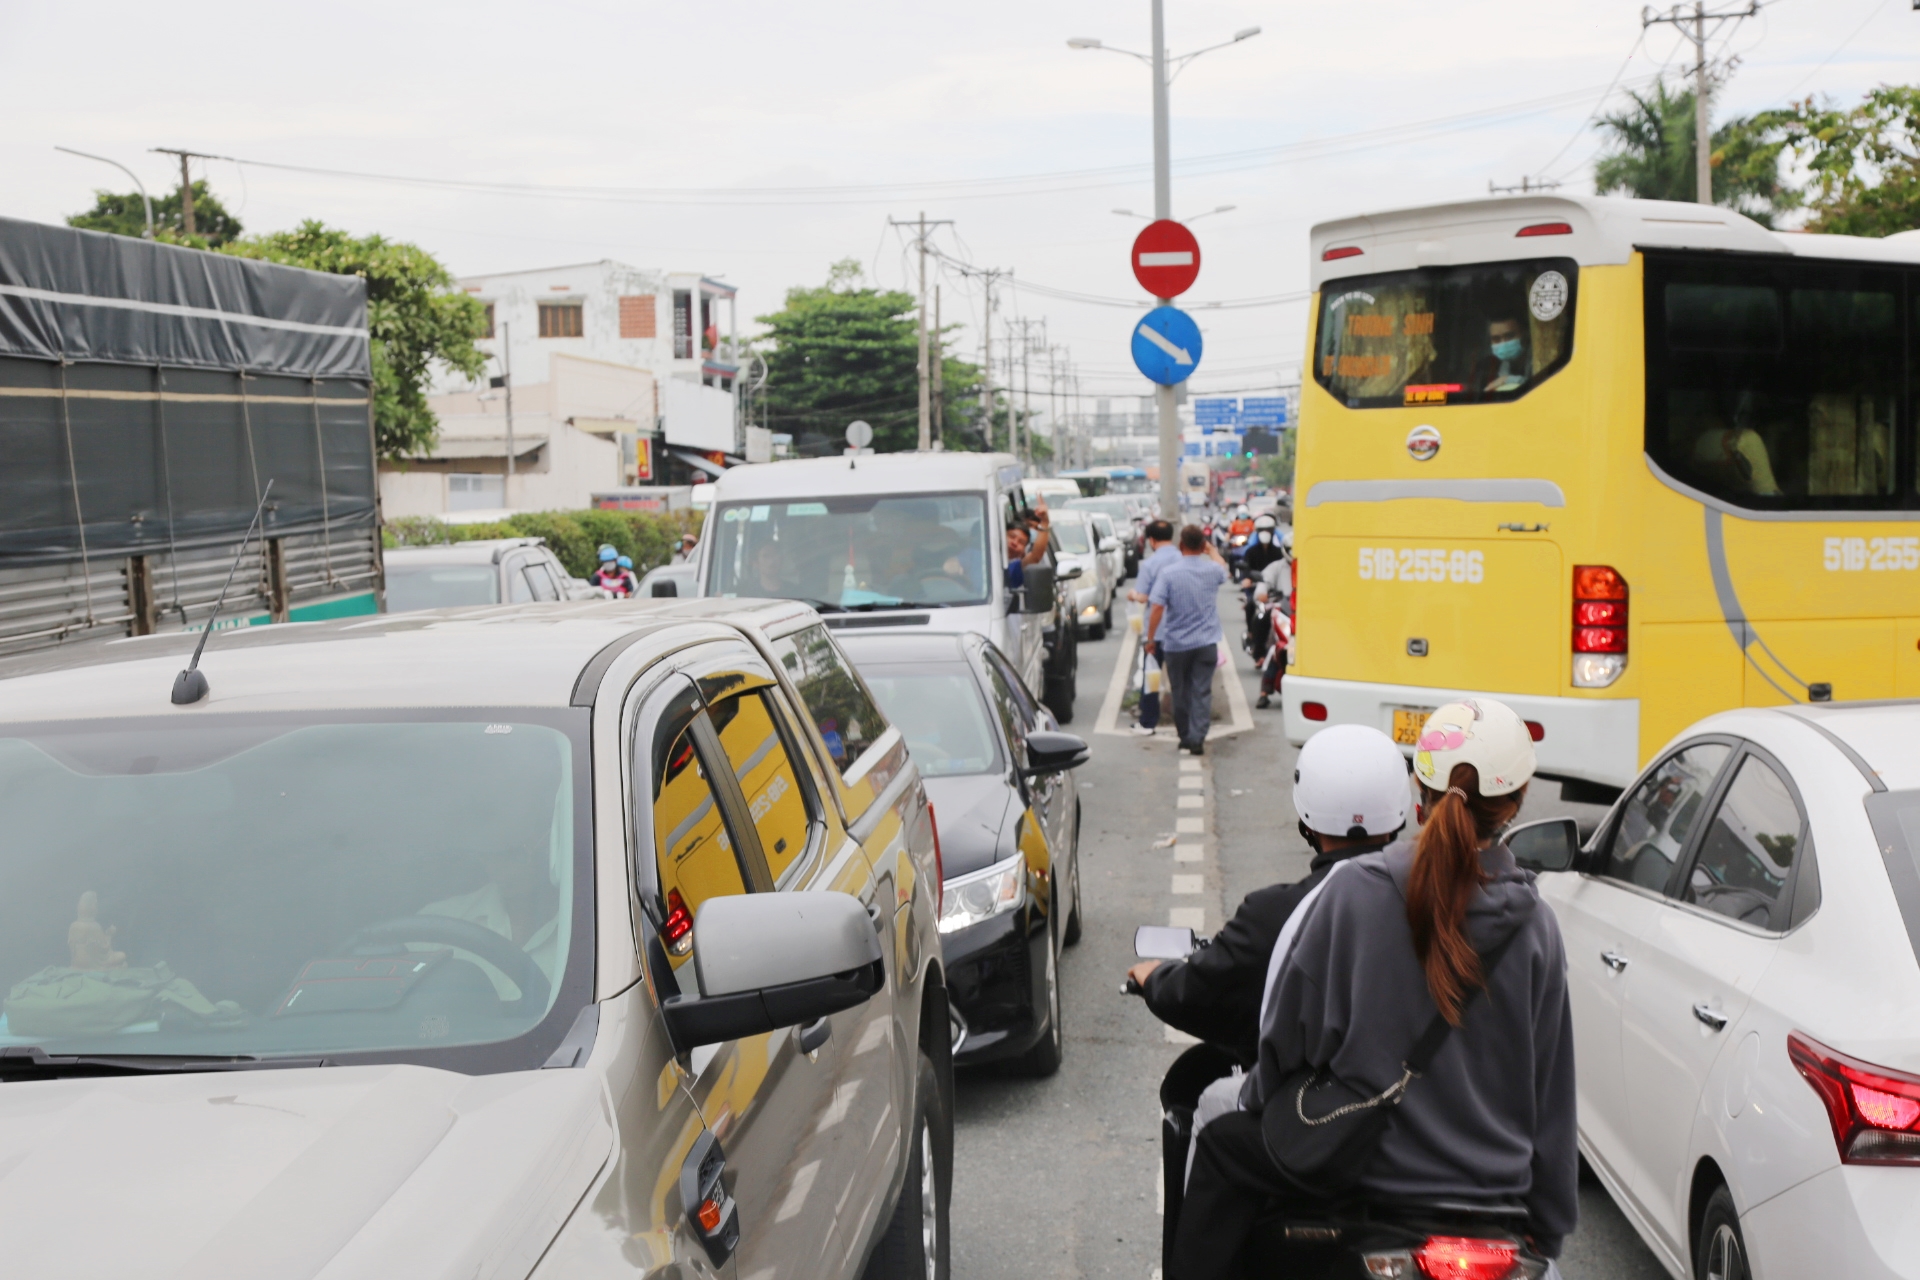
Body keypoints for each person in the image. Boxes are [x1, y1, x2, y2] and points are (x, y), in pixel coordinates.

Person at [1172, 698, 1578, 1279]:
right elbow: (1552, 1096)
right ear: (1517, 800)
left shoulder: (1355, 893)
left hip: (1356, 1178)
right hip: (1495, 1205)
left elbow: (1286, 1041)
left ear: (1420, 793)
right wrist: (1549, 1226)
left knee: (1219, 1146)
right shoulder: (1537, 926)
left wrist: (1267, 1107)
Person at [1128, 726, 1409, 1267]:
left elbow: (1205, 991)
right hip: (1438, 1126)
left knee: (1212, 1119)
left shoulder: (1281, 915)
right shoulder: (1442, 909)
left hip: (1326, 1124)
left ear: (1306, 813)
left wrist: (1153, 979)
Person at [1146, 525, 1230, 755]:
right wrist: (1211, 550)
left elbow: (1157, 608)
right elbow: (1222, 566)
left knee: (1180, 692)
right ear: (1201, 546)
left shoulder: (1169, 574)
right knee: (1202, 691)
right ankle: (1197, 737)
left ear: (1181, 545)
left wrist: (1150, 638)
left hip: (1176, 644)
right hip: (1206, 644)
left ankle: (1185, 736)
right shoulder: (1212, 571)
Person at [1127, 520, 1178, 737]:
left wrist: (1133, 595)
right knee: (1182, 679)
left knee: (1152, 676)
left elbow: (1145, 597)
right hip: (1180, 628)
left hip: (1156, 631)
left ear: (1151, 540)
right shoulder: (1182, 558)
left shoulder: (1150, 564)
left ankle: (1148, 722)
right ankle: (1188, 723)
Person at [1004, 502, 1051, 591]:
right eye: (1012, 536)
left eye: (1021, 542)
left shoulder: (1013, 569)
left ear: (1024, 550)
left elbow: (1035, 556)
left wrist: (1045, 522)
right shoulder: (982, 557)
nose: (1015, 542)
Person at [1477, 316, 1530, 394]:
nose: (1503, 343)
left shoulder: (1538, 357)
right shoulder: (1498, 365)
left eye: (1509, 336)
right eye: (1496, 339)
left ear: (1524, 334)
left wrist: (1507, 380)